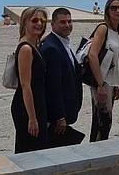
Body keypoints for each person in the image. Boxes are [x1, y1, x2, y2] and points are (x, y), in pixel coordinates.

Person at [88, 0, 119, 141]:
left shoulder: (114, 31)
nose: (117, 10)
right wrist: (100, 84)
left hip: (109, 84)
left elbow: (113, 63)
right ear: (107, 10)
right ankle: (96, 158)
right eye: (113, 8)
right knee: (101, 124)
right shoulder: (103, 28)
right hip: (101, 83)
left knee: (105, 123)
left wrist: (115, 85)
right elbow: (92, 55)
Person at [41, 8, 85, 147]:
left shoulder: (63, 43)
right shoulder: (52, 48)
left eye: (69, 21)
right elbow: (53, 86)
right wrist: (59, 116)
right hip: (58, 115)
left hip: (68, 109)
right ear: (53, 25)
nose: (67, 25)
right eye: (62, 22)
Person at [11, 7, 49, 153]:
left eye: (42, 21)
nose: (39, 23)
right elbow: (25, 85)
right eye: (34, 20)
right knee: (30, 149)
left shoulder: (34, 44)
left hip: (36, 101)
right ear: (25, 23)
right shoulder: (26, 48)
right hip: (27, 106)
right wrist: (32, 118)